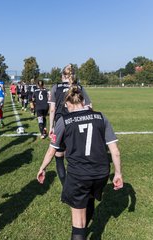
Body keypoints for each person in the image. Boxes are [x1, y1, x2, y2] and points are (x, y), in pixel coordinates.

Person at [37, 85, 123, 240]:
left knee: (78, 223)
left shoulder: (64, 120)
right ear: (83, 101)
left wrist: (42, 168)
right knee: (89, 199)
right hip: (101, 173)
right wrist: (118, 173)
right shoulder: (101, 117)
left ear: (68, 104)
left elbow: (52, 150)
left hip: (79, 174)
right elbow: (115, 151)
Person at [48, 64, 92, 187]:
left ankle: (65, 187)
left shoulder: (55, 87)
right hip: (76, 124)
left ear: (63, 76)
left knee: (59, 156)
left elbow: (52, 110)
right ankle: (78, 183)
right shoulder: (78, 87)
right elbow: (89, 107)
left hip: (60, 125)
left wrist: (51, 127)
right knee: (75, 156)